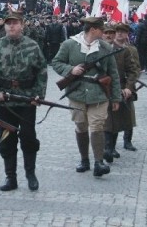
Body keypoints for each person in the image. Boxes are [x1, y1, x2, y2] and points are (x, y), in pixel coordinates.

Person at [0, 11, 48, 192]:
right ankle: (10, 176)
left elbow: (41, 72)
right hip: (4, 102)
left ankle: (31, 174)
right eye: (8, 23)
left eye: (15, 23)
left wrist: (38, 96)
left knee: (28, 138)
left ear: (22, 25)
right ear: (4, 26)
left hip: (27, 100)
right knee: (7, 140)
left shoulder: (32, 46)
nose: (11, 26)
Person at [51, 17, 120, 177]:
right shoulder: (69, 44)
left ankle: (98, 162)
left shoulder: (105, 47)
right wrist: (70, 69)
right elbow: (56, 62)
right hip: (76, 92)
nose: (104, 33)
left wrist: (115, 97)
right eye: (101, 29)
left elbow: (113, 74)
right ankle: (84, 159)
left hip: (99, 93)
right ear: (93, 29)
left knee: (97, 126)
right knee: (81, 125)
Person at [102, 23, 139, 162]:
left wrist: (129, 87)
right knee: (105, 120)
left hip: (119, 88)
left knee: (116, 120)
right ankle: (106, 148)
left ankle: (111, 147)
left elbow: (133, 70)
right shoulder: (98, 49)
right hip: (102, 88)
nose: (112, 35)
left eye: (113, 32)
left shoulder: (125, 51)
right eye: (109, 32)